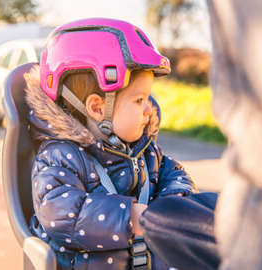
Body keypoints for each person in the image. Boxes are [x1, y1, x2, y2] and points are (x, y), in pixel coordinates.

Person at [24, 18, 198, 270]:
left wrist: (172, 205)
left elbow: (175, 174)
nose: (150, 109)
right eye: (139, 100)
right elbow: (61, 214)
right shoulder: (59, 157)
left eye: (149, 97)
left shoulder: (142, 150)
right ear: (97, 108)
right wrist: (131, 218)